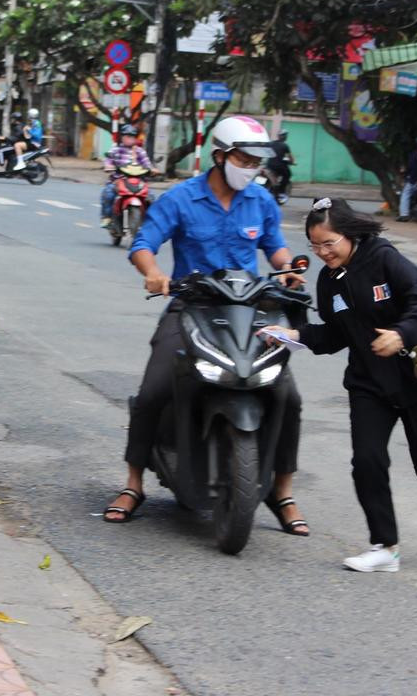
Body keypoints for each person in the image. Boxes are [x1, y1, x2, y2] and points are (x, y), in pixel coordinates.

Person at [103, 115, 309, 536]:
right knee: (153, 392)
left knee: (287, 397)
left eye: (257, 162)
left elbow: (275, 247)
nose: (252, 168)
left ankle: (282, 492)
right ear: (220, 156)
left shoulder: (261, 200)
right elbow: (143, 245)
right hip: (191, 308)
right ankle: (133, 484)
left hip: (250, 310)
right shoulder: (182, 198)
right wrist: (153, 273)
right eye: (245, 159)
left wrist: (287, 269)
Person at [261, 197, 417, 572]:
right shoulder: (329, 282)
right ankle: (385, 548)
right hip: (368, 382)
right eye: (315, 246)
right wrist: (292, 333)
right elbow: (334, 335)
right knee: (367, 460)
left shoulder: (383, 258)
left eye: (330, 243)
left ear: (349, 235)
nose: (323, 253)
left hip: (416, 378)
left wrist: (401, 333)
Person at [100, 124, 154, 227]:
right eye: (127, 136)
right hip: (118, 181)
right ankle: (107, 217)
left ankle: (150, 221)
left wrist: (152, 170)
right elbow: (108, 160)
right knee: (107, 193)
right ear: (122, 137)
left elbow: (147, 164)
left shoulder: (140, 152)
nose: (129, 138)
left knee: (151, 197)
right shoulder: (115, 150)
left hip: (138, 182)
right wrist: (108, 166)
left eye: (132, 136)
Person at [12, 108, 44, 172]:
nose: (28, 116)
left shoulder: (36, 123)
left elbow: (37, 134)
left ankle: (20, 163)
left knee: (17, 145)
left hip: (35, 143)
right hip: (32, 142)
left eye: (29, 114)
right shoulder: (33, 122)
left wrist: (29, 130)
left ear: (31, 115)